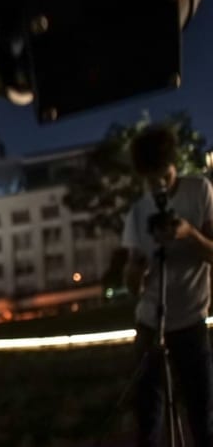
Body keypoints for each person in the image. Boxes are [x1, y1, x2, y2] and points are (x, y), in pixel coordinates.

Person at [121, 124, 213, 447]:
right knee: (148, 420)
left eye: (163, 175)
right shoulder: (137, 211)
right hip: (150, 323)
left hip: (191, 320)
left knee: (203, 418)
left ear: (173, 164)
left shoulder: (200, 190)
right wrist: (137, 270)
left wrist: (189, 234)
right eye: (150, 180)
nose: (158, 185)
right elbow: (132, 284)